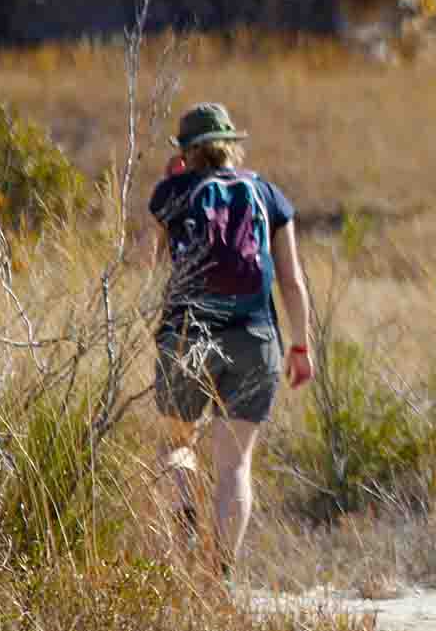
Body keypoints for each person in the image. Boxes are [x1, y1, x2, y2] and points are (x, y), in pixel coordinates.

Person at [149, 103, 314, 579]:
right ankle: (218, 576)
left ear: (186, 151)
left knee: (176, 446)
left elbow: (144, 265)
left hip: (186, 335)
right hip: (254, 336)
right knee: (235, 465)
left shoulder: (173, 193)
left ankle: (182, 535)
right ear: (230, 144)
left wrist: (168, 189)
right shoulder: (267, 193)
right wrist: (300, 345)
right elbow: (292, 280)